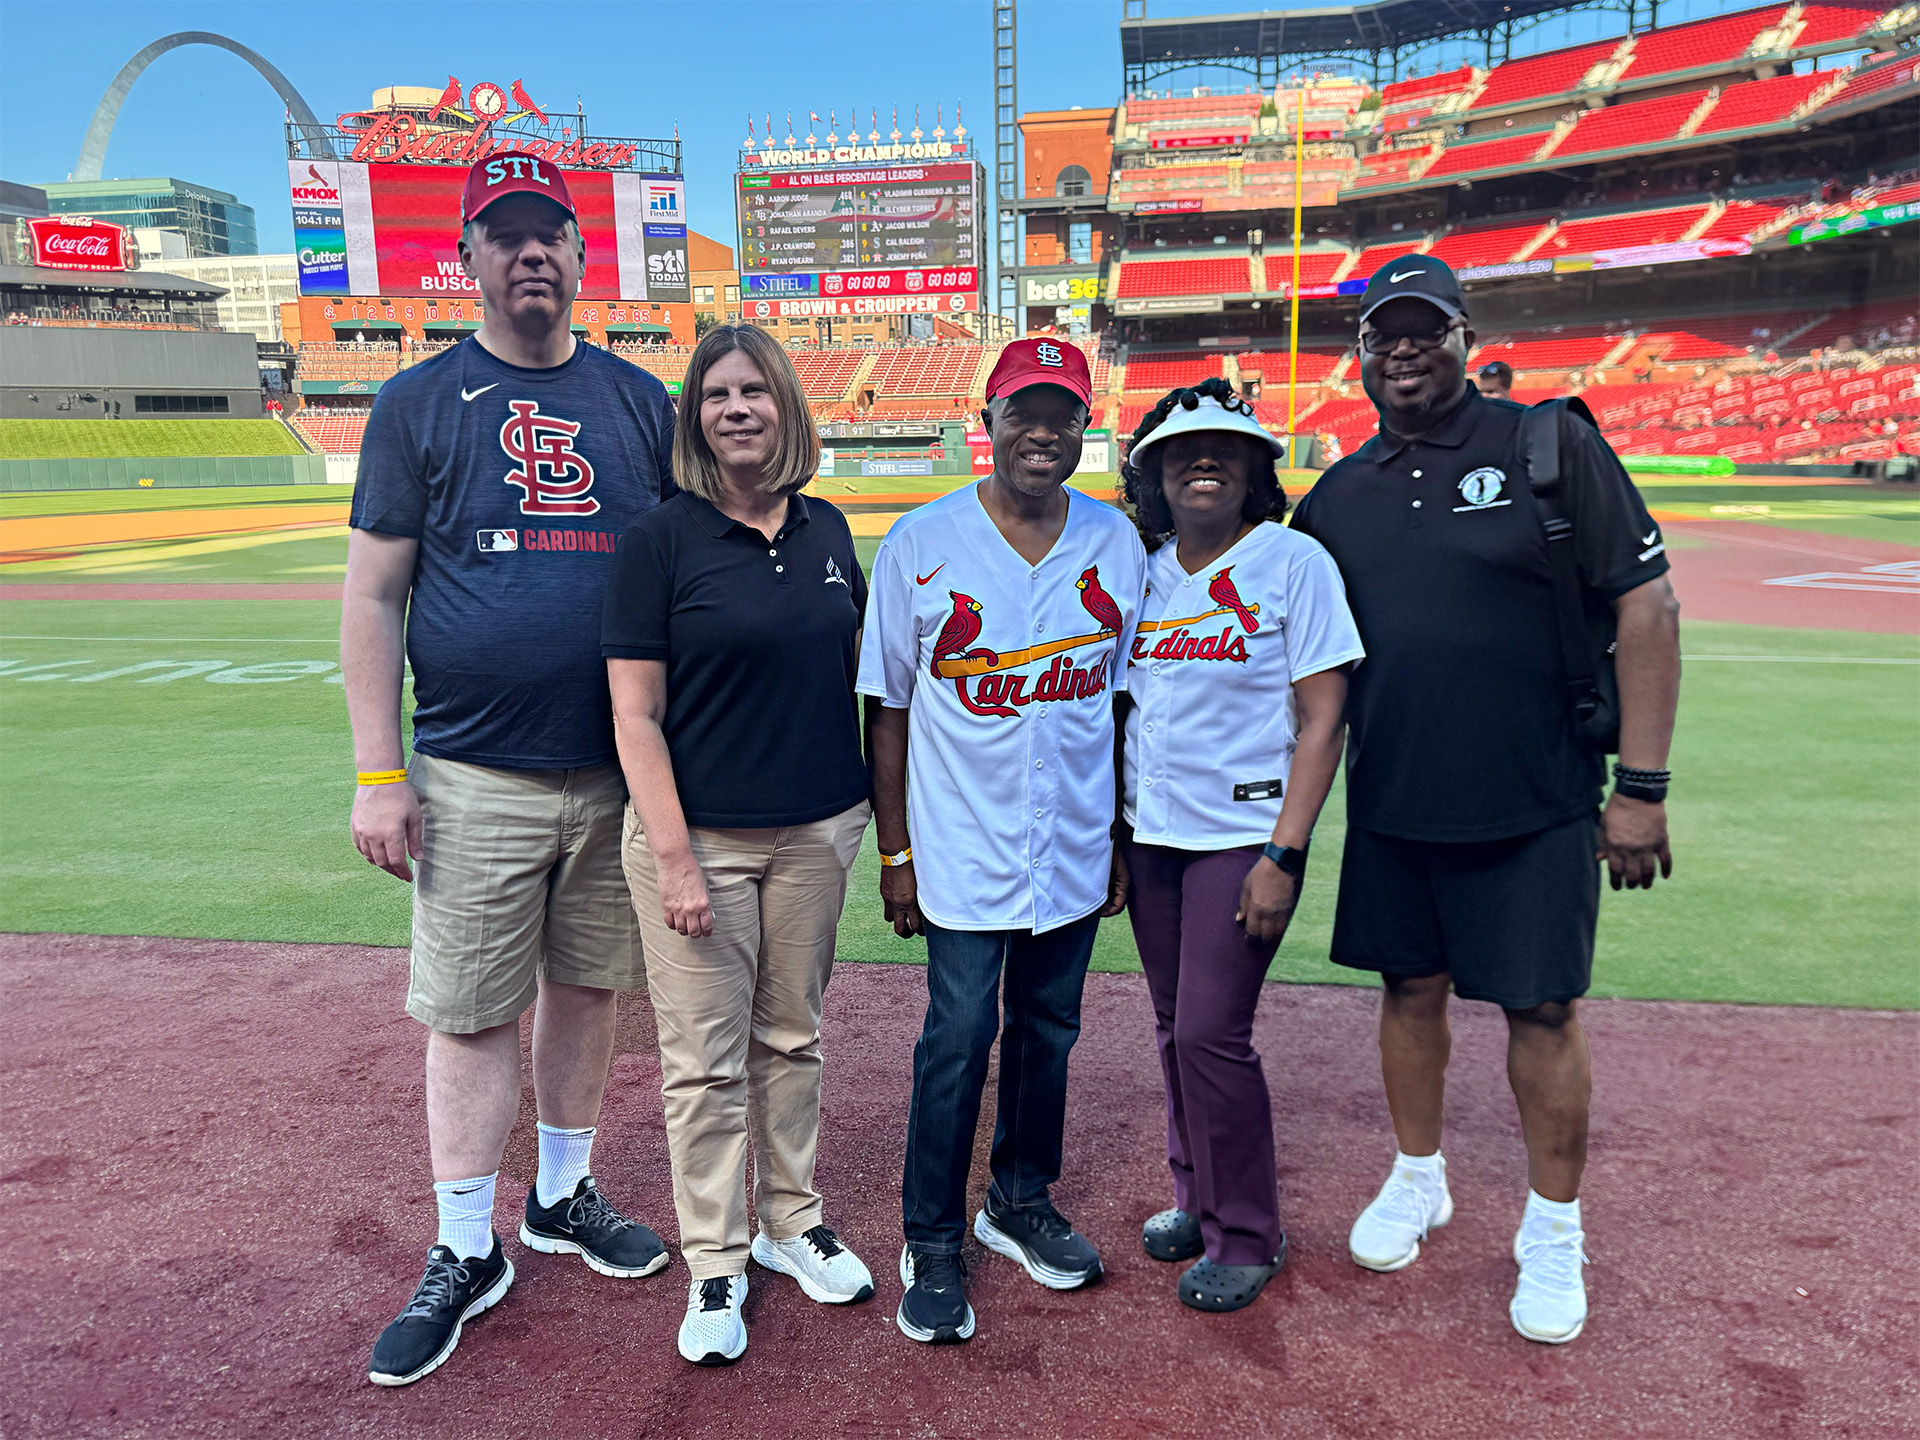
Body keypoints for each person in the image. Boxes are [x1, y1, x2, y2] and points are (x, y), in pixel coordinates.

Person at [1288, 255, 1680, 1346]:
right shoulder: (1340, 493)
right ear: (1358, 353)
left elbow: (1648, 610)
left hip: (1538, 795)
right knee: (1408, 992)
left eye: (1426, 330)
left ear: (1464, 336)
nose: (1403, 350)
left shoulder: (1546, 446)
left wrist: (1641, 791)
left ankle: (1554, 1227)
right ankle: (1420, 1175)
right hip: (1398, 797)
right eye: (1382, 334)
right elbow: (1286, 643)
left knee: (1543, 1011)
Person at [346, 155, 676, 1388]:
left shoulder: (640, 401)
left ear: (580, 259)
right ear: (471, 259)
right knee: (475, 1009)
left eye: (552, 235)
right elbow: (374, 597)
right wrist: (382, 771)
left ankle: (561, 1193)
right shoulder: (418, 402)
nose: (530, 254)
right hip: (473, 769)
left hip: (610, 768)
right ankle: (462, 1243)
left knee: (590, 990)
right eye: (507, 236)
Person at [858, 338, 1147, 1345]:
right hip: (959, 844)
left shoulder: (1115, 546)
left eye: (1062, 415)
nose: (1043, 432)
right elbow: (887, 707)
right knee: (958, 1038)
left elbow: (1122, 705)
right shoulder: (920, 543)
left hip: (1069, 842)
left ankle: (1019, 1199)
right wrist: (894, 853)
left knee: (1050, 1031)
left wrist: (1119, 832)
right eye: (1024, 411)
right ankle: (931, 1238)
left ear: (1082, 430)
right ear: (987, 422)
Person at [604, 326, 875, 1366]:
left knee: (794, 1037)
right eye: (715, 394)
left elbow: (849, 681)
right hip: (700, 841)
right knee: (704, 1064)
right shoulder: (659, 540)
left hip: (814, 830)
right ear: (695, 419)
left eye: (753, 390)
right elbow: (635, 717)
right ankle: (716, 1259)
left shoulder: (826, 530)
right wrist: (673, 858)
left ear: (786, 405)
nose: (736, 408)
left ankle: (791, 1223)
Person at [1113, 379, 1364, 1313]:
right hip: (1154, 837)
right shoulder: (1142, 570)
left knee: (1216, 1034)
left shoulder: (1293, 562)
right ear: (1156, 476)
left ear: (1258, 468)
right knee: (1178, 1028)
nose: (1203, 462)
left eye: (1224, 449)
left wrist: (1284, 856)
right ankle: (1196, 1197)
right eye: (1181, 453)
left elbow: (1323, 717)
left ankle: (1250, 1229)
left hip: (1242, 838)